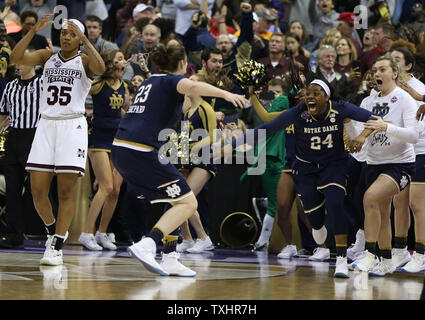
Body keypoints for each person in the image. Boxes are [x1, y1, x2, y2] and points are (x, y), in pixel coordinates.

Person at [111, 41, 248, 277]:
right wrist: (227, 93)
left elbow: (179, 104)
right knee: (188, 203)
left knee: (176, 201)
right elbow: (192, 86)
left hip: (122, 149)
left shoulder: (150, 82)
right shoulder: (172, 80)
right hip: (140, 150)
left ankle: (171, 257)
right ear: (184, 64)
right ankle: (149, 243)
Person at [218, 79, 375, 278]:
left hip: (333, 166)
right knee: (315, 221)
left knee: (336, 204)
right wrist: (230, 146)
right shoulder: (297, 112)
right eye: (308, 93)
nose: (310, 96)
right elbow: (265, 129)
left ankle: (342, 260)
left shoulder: (340, 109)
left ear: (327, 97)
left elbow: (375, 118)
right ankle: (319, 237)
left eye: (316, 93)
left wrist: (362, 136)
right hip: (304, 168)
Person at [11, 15, 106, 265]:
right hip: (45, 125)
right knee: (37, 191)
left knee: (65, 191)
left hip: (71, 125)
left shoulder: (84, 60)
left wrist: (86, 40)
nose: (66, 36)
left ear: (79, 38)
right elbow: (16, 58)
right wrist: (32, 31)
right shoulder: (47, 56)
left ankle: (57, 245)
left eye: (72, 33)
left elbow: (101, 69)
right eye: (64, 32)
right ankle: (53, 232)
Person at [350, 56, 421, 277]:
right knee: (380, 209)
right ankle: (387, 260)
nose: (377, 74)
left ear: (394, 74)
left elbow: (413, 135)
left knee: (370, 197)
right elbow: (358, 139)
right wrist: (348, 125)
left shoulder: (404, 99)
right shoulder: (368, 102)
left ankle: (370, 254)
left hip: (400, 164)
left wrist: (386, 127)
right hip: (373, 163)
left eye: (382, 69)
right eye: (374, 70)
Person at [78, 49, 127, 251]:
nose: (124, 62)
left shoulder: (124, 85)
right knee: (106, 187)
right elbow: (78, 93)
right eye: (120, 59)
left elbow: (119, 110)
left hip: (117, 139)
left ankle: (102, 233)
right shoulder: (97, 85)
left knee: (115, 191)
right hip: (98, 139)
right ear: (109, 64)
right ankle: (86, 233)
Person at [0, 54, 42, 249]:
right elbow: (3, 115)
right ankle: (13, 235)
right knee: (12, 190)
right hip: (14, 137)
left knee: (40, 188)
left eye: (22, 62)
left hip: (35, 137)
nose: (18, 66)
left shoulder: (43, 83)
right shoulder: (10, 86)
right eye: (16, 63)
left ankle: (50, 232)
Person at [390, 46, 425, 272]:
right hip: (400, 151)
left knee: (417, 204)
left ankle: (421, 254)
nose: (392, 63)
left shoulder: (417, 88)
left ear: (408, 66)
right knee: (398, 202)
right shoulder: (392, 90)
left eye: (396, 59)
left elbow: (417, 127)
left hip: (420, 149)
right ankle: (400, 251)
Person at [173, 74, 216, 253]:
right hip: (189, 160)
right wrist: (180, 157)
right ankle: (188, 239)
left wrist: (194, 147)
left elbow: (213, 136)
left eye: (193, 81)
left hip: (204, 159)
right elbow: (183, 138)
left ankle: (204, 238)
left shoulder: (206, 109)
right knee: (177, 199)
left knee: (185, 197)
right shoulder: (188, 110)